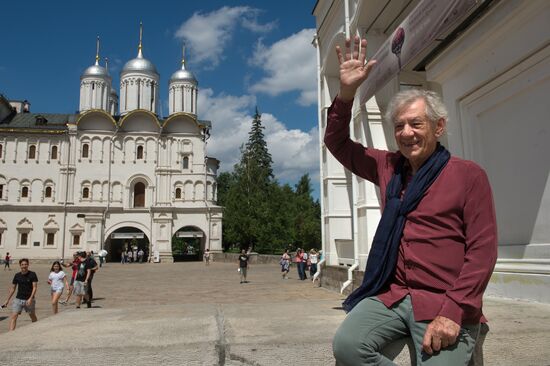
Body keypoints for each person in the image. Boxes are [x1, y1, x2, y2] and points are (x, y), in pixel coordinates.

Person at [328, 36, 497, 365]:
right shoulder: (387, 166)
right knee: (347, 346)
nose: (406, 133)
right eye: (399, 126)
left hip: (445, 300)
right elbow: (336, 143)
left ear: (439, 127)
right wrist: (347, 92)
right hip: (391, 295)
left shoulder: (468, 175)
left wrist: (453, 312)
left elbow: (482, 253)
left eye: (416, 124)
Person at [2, 258, 38, 331]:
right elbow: (13, 288)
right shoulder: (17, 275)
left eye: (25, 264)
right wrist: (7, 300)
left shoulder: (32, 274)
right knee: (14, 316)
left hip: (29, 300)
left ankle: (37, 329)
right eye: (22, 264)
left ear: (28, 265)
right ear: (20, 265)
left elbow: (34, 287)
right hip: (18, 299)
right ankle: (11, 334)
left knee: (32, 316)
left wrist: (30, 298)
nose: (24, 266)